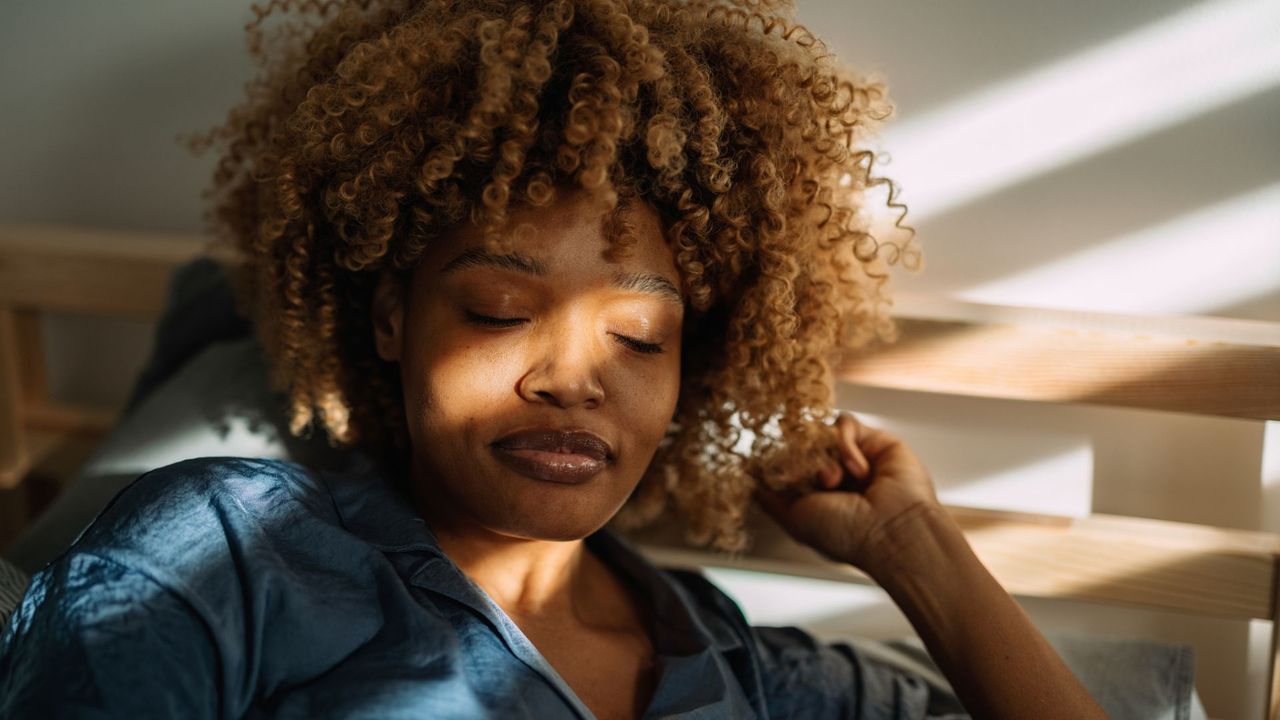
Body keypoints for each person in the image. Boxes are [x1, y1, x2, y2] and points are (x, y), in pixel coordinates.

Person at [0, 0, 1108, 717]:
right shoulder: (228, 556)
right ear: (392, 318)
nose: (572, 377)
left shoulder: (727, 662)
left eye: (638, 337)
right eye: (494, 309)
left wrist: (914, 547)